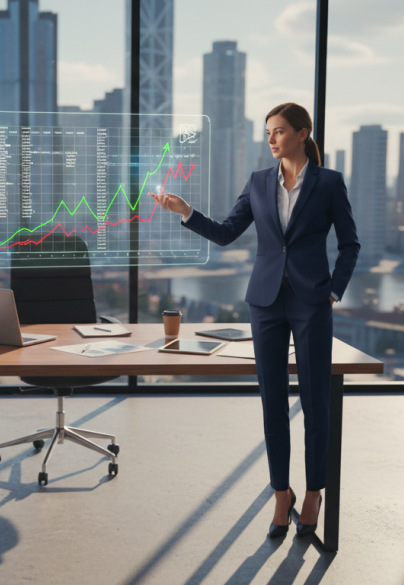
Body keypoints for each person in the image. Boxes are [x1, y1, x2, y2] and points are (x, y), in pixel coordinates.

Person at [149, 102, 359, 537]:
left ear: (303, 133)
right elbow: (227, 233)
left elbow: (350, 244)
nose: (271, 139)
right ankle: (281, 493)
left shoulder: (329, 183)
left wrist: (334, 289)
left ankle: (314, 493)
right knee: (272, 404)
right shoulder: (259, 182)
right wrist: (185, 211)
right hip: (264, 302)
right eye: (268, 132)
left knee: (317, 402)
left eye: (279, 131)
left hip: (311, 302)